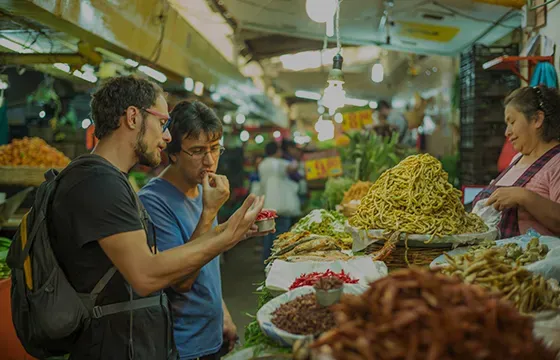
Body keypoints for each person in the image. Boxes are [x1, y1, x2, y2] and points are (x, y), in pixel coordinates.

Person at [49, 76, 264, 359]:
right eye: (162, 123)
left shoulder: (110, 180)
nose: (166, 136)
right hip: (112, 346)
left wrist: (224, 233)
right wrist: (225, 234)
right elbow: (147, 276)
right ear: (133, 117)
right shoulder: (100, 183)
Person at [138, 101, 271, 360]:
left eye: (214, 148)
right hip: (183, 346)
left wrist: (223, 313)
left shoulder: (202, 189)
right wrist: (209, 211)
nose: (209, 161)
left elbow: (208, 257)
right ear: (173, 152)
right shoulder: (153, 201)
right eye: (197, 151)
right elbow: (181, 281)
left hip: (212, 334)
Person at [473, 86, 560, 238]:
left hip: (533, 260)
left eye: (512, 122)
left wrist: (524, 197)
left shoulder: (556, 162)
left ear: (537, 119)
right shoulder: (517, 159)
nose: (507, 132)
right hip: (495, 259)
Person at [259, 142, 300, 263]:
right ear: (277, 151)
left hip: (267, 204)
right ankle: (278, 261)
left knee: (268, 234)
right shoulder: (279, 163)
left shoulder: (262, 164)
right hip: (282, 205)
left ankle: (267, 260)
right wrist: (292, 157)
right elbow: (293, 167)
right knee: (281, 235)